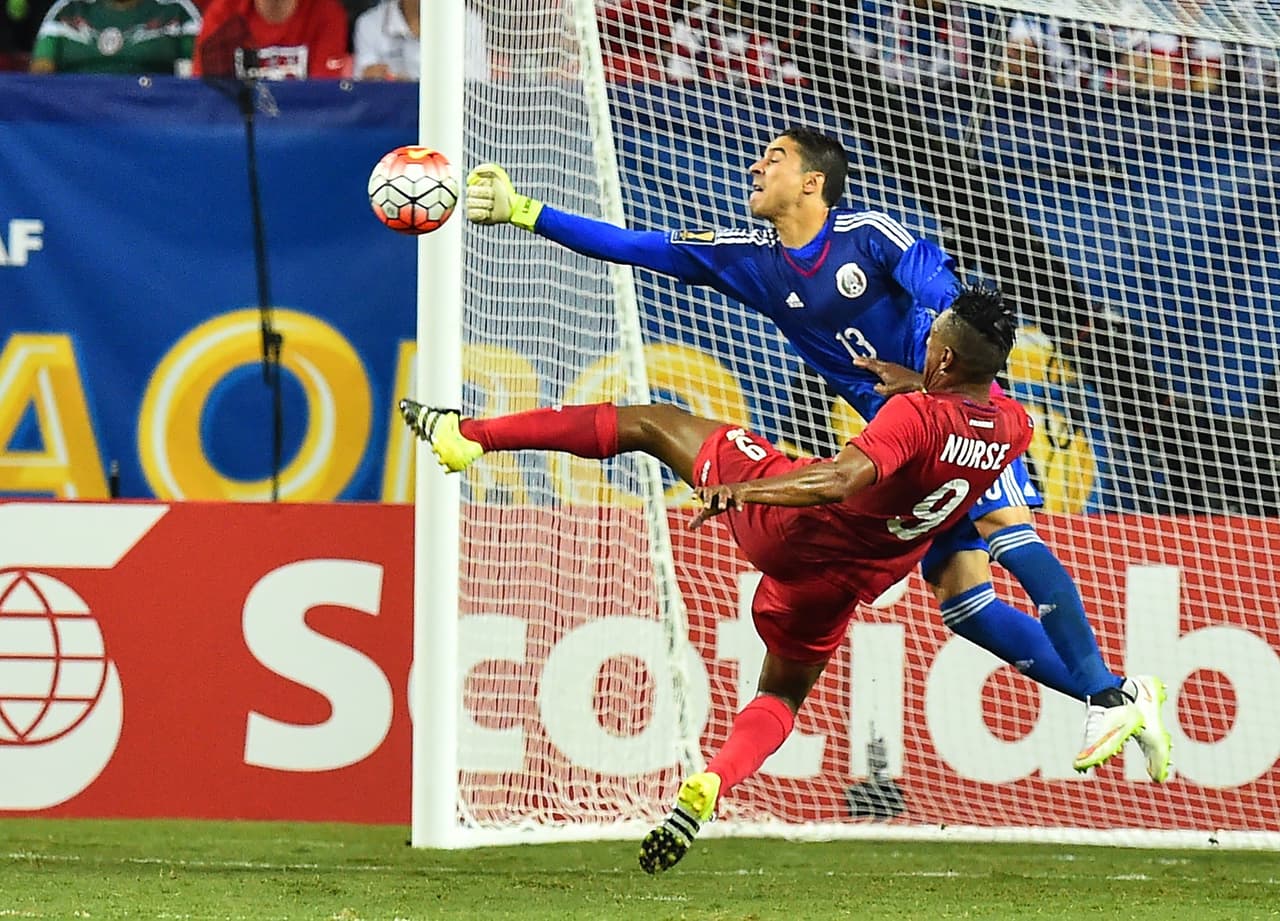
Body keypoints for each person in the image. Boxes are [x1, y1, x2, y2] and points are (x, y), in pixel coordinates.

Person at [461, 126, 1172, 784]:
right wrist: (527, 212)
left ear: (811, 183)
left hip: (959, 418)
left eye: (773, 157)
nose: (754, 165)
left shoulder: (866, 237)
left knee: (1006, 535)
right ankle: (1121, 691)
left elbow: (940, 285)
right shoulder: (757, 264)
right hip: (906, 453)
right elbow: (641, 246)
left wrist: (925, 367)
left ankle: (1108, 695)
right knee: (967, 604)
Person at [402, 286, 1043, 873]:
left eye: (932, 341)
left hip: (788, 521)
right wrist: (915, 387)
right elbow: (955, 424)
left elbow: (841, 478)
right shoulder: (1016, 427)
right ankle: (714, 780)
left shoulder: (915, 421)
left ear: (947, 358)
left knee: (651, 423)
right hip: (844, 580)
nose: (924, 341)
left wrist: (742, 490)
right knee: (782, 697)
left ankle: (468, 437)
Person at [28, 0, 200, 74]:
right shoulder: (67, 10)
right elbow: (40, 80)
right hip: (77, 126)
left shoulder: (176, 10)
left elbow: (195, 80)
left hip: (153, 124)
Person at [194, 0, 348, 80]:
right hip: (235, 132)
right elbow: (208, 93)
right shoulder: (222, 13)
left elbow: (325, 98)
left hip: (304, 132)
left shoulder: (327, 13)